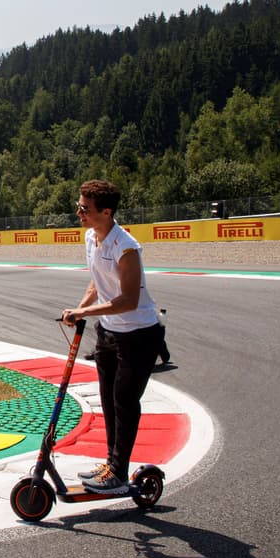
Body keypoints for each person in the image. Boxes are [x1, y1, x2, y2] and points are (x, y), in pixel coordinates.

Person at [61, 178, 165, 495]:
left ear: (106, 212)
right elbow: (97, 282)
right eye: (79, 206)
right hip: (108, 331)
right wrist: (79, 308)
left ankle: (119, 472)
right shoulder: (91, 238)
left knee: (124, 401)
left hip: (139, 333)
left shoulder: (126, 247)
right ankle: (111, 464)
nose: (79, 213)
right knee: (108, 401)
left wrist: (84, 314)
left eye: (84, 209)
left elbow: (128, 300)